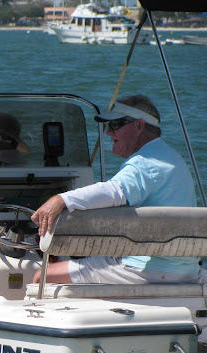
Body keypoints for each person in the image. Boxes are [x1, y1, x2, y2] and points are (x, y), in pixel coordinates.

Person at [31, 94, 205, 284]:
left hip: (146, 270)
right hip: (187, 271)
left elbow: (114, 192)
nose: (108, 132)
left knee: (42, 276)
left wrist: (61, 200)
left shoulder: (146, 163)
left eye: (115, 125)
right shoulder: (171, 157)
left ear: (139, 126)